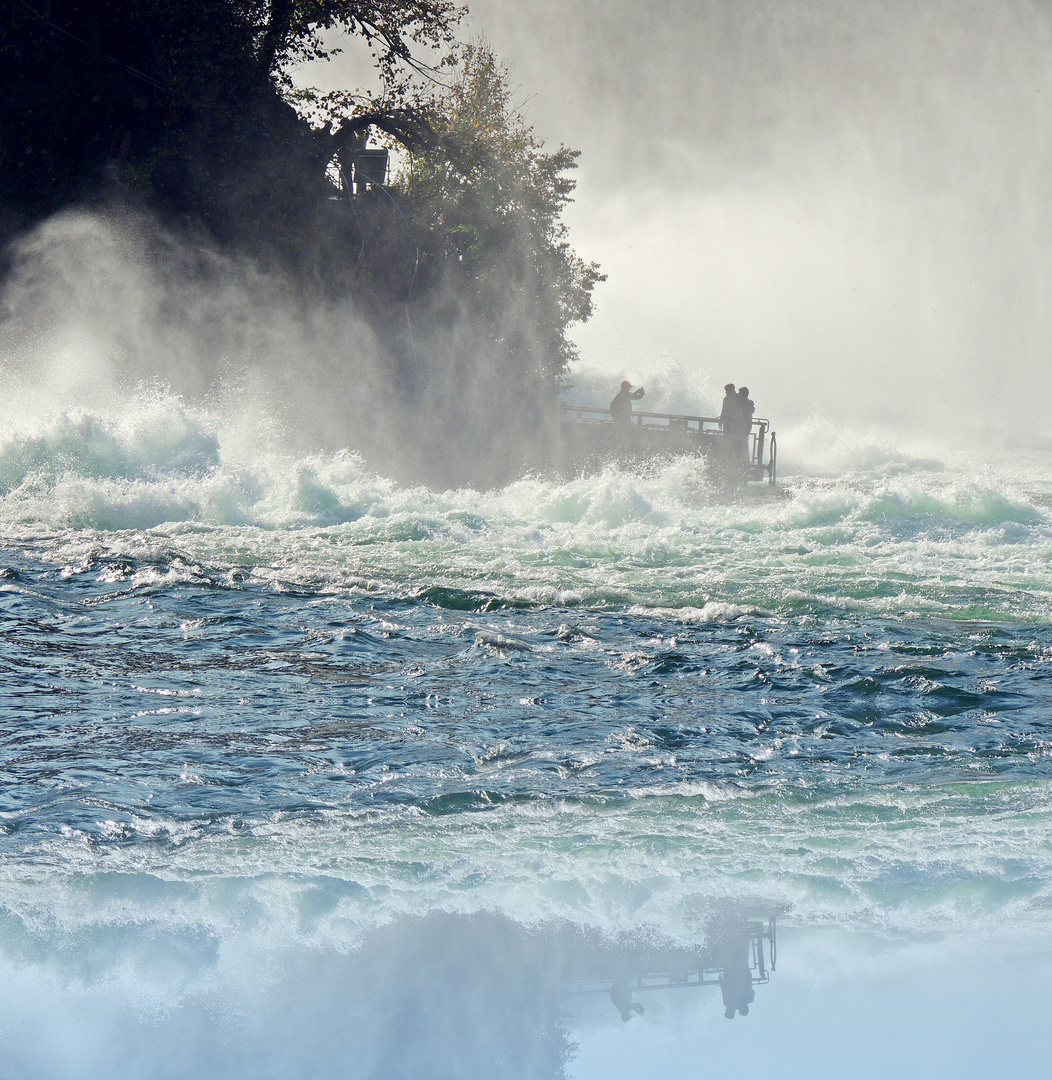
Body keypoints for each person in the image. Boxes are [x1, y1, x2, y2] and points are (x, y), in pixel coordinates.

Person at [736, 386, 755, 467]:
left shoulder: (747, 403)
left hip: (743, 427)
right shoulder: (749, 403)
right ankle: (743, 461)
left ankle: (742, 461)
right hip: (745, 427)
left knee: (741, 444)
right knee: (743, 444)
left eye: (740, 393)